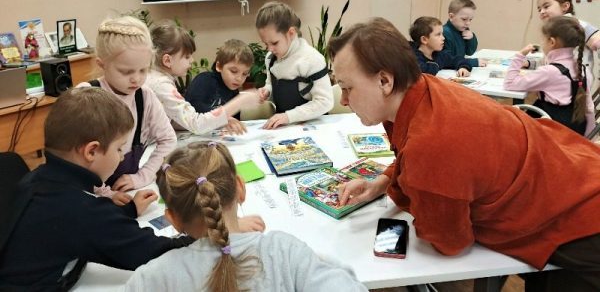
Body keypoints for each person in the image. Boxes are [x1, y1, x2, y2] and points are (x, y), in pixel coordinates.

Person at [329, 17, 600, 292]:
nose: (344, 100)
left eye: (347, 87)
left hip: (583, 220)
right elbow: (419, 157)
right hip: (577, 167)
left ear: (385, 81)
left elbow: (450, 242)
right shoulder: (425, 87)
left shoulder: (429, 146)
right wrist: (383, 182)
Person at [0, 87, 193, 290]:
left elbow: (88, 225)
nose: (121, 157)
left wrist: (129, 210)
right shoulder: (80, 211)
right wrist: (204, 238)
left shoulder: (38, 179)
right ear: (91, 151)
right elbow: (153, 252)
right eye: (119, 148)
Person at [123, 141, 367, 291]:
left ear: (173, 219)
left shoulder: (151, 278)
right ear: (240, 188)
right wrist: (322, 261)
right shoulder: (285, 253)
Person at [78, 16, 176, 201]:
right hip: (88, 195)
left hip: (127, 192)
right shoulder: (85, 97)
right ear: (102, 64)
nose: (136, 79)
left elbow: (168, 140)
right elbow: (75, 158)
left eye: (143, 70)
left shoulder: (145, 96)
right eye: (126, 71)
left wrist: (143, 176)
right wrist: (105, 194)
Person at [147, 25, 260, 135]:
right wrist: (240, 102)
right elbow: (197, 124)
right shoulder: (161, 85)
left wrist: (221, 121)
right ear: (167, 60)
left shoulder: (157, 80)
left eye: (245, 74)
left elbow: (175, 122)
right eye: (187, 56)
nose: (192, 60)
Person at [504, 16, 593, 135]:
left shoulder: (549, 72)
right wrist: (587, 138)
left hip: (550, 130)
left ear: (551, 42)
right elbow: (589, 108)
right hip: (575, 130)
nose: (542, 43)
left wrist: (520, 55)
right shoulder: (583, 69)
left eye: (543, 40)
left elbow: (510, 83)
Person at [255, 1, 333, 129]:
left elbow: (325, 102)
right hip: (284, 126)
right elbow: (270, 83)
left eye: (274, 43)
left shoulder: (312, 59)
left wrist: (288, 116)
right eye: (265, 44)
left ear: (291, 33)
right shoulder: (270, 58)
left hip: (314, 126)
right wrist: (267, 91)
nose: (270, 49)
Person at [533, 0, 600, 81]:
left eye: (546, 7)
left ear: (565, 6)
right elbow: (548, 61)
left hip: (576, 83)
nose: (542, 12)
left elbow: (598, 41)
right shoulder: (550, 30)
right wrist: (529, 64)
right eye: (539, 9)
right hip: (557, 81)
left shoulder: (578, 25)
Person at [442, 0, 486, 68]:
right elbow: (448, 60)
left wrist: (471, 38)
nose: (468, 23)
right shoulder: (445, 33)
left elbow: (470, 52)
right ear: (451, 16)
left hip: (458, 67)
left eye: (470, 19)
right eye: (464, 19)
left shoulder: (463, 30)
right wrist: (472, 62)